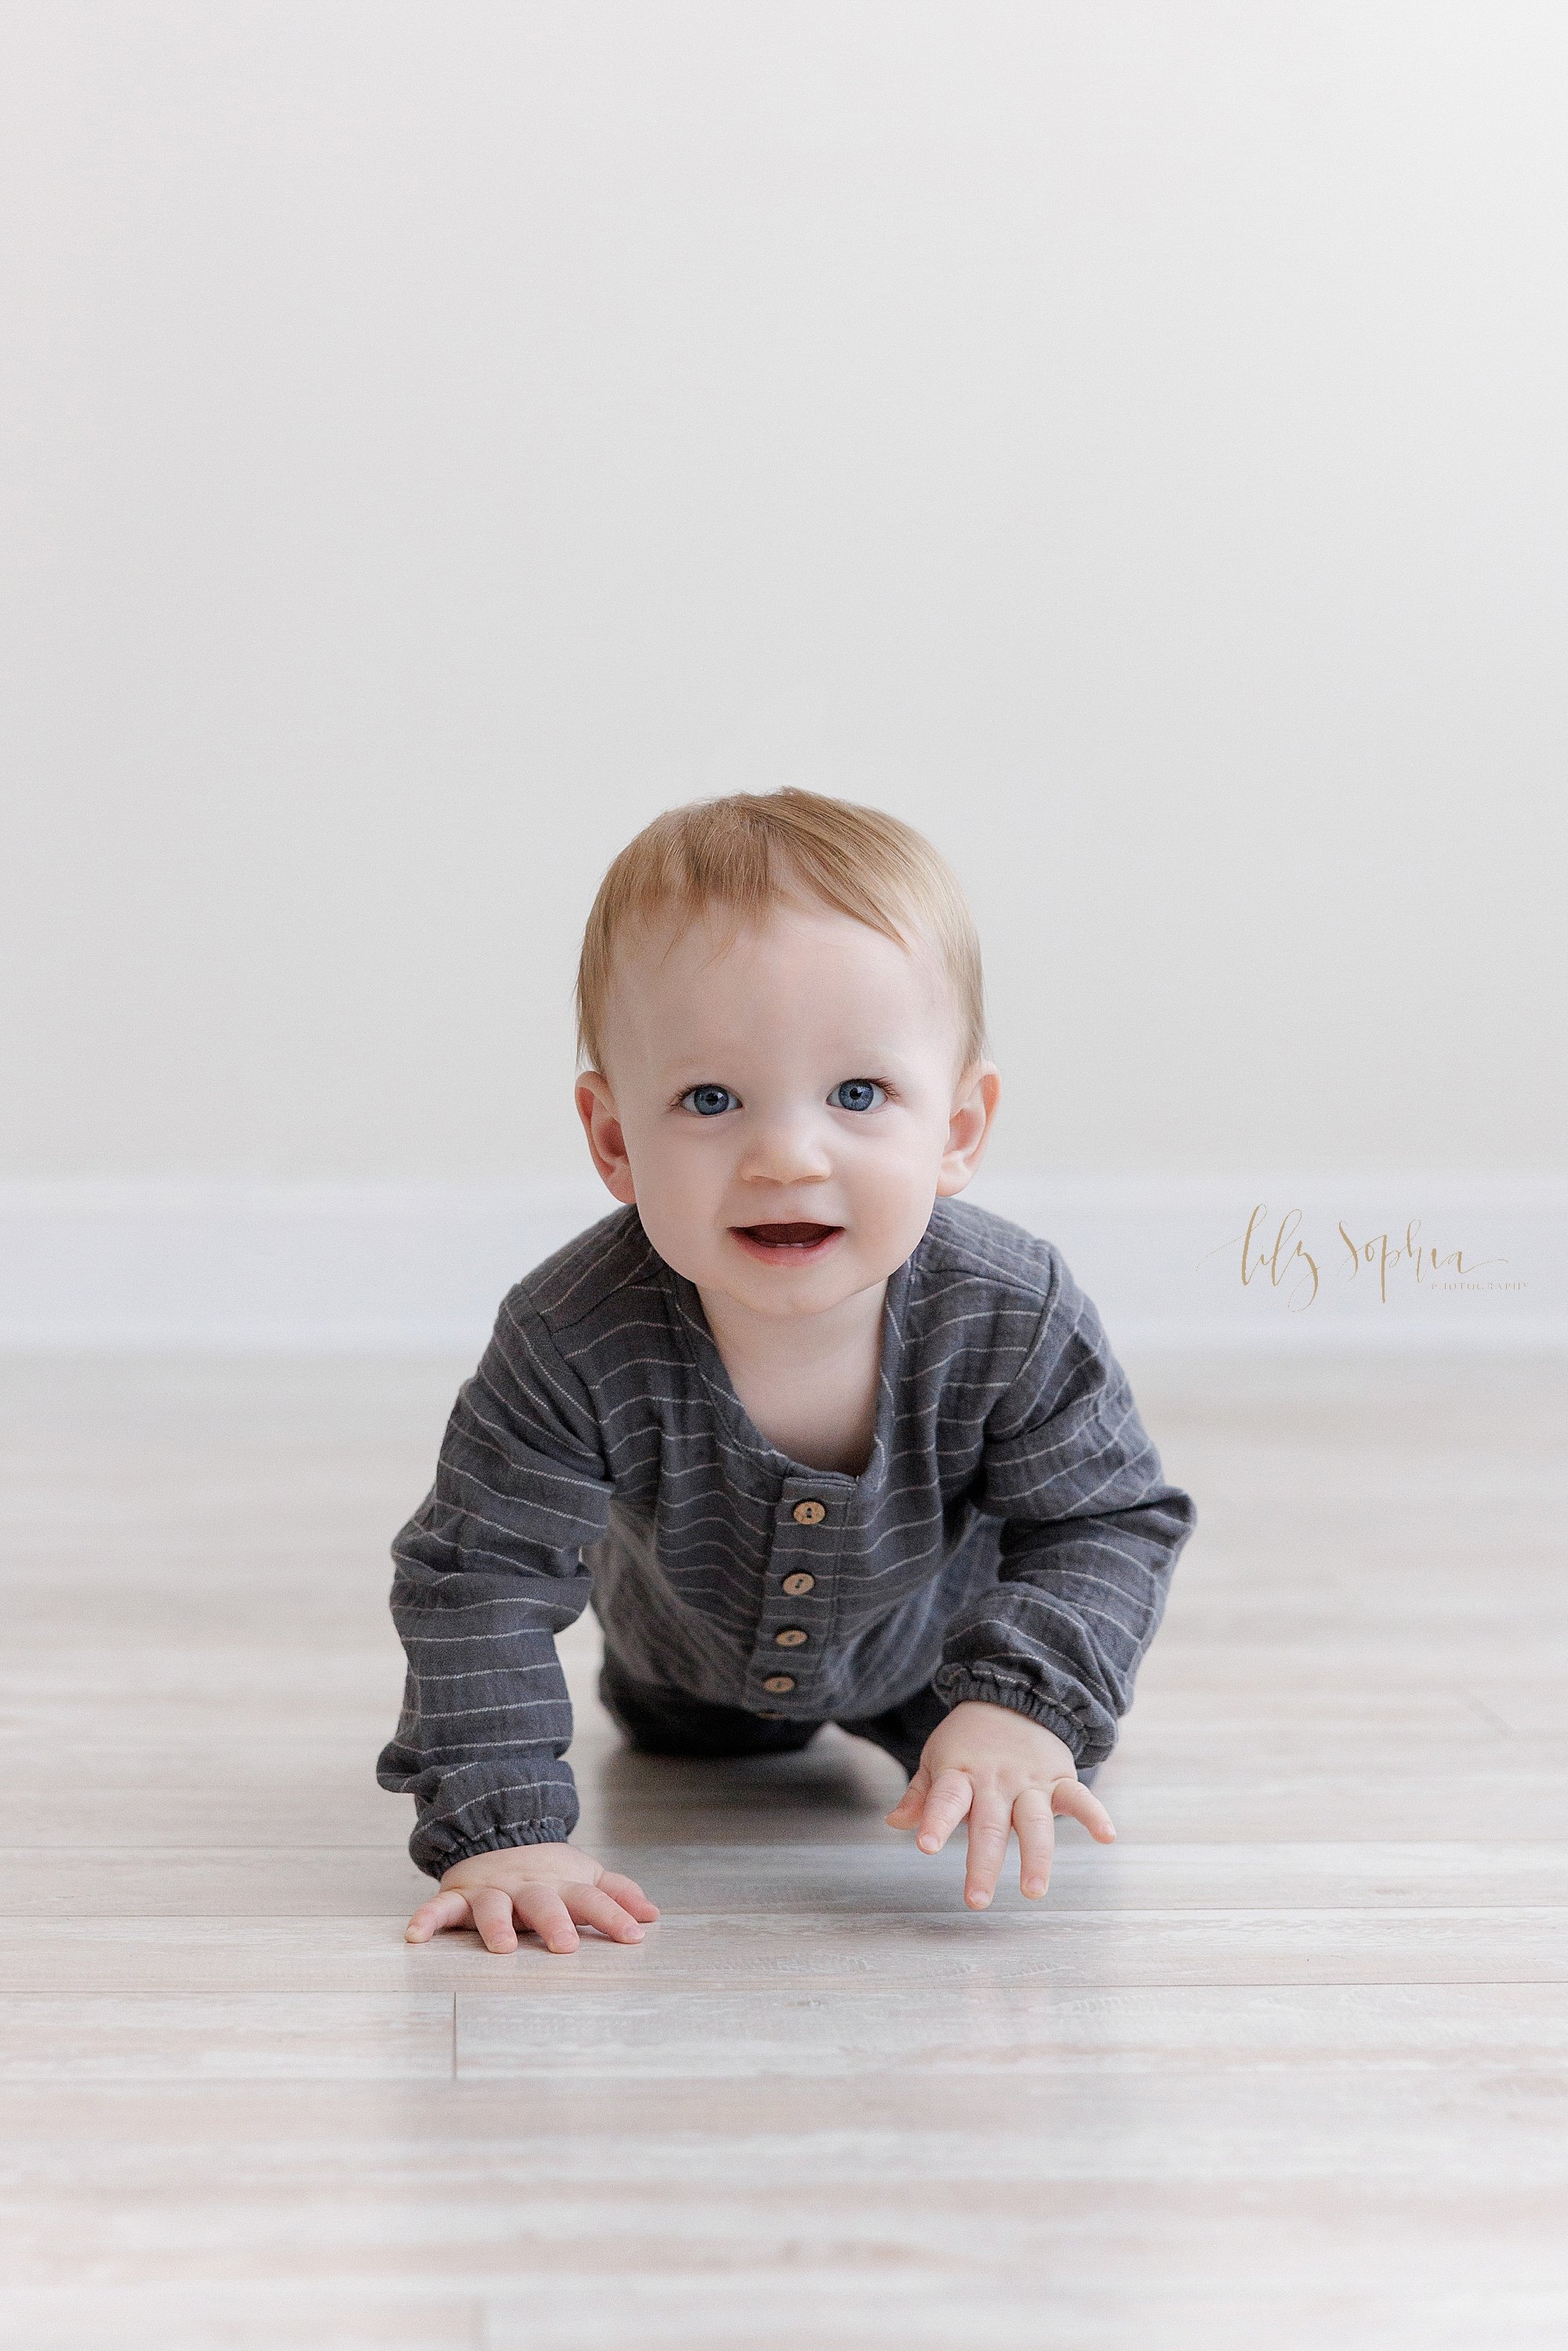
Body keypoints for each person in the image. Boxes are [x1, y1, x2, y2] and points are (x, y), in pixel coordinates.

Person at [379, 787, 1196, 1956]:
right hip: (676, 1680)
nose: (786, 1156)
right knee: (689, 1744)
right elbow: (480, 1574)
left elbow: (1107, 1519)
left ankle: (991, 1717)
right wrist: (499, 1823)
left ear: (958, 1127)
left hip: (940, 1663)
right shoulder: (570, 1334)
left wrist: (1023, 1700)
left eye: (858, 1094)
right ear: (615, 1139)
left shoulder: (1013, 1312)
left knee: (1018, 1750)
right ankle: (706, 1723)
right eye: (710, 1099)